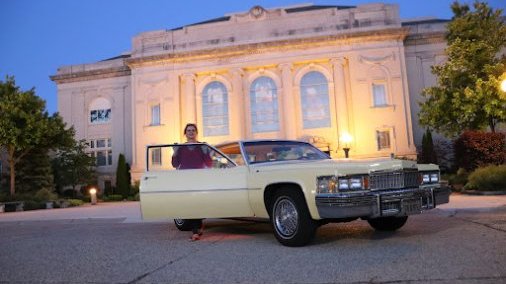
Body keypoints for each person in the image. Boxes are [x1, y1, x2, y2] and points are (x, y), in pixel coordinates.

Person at [171, 123, 212, 241]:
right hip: (185, 179)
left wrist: (206, 152)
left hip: (199, 178)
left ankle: (196, 229)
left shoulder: (202, 146)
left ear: (196, 132)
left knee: (197, 202)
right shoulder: (181, 147)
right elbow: (175, 164)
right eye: (188, 130)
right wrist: (175, 152)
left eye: (193, 130)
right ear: (185, 133)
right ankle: (197, 229)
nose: (191, 132)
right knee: (191, 202)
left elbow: (209, 163)